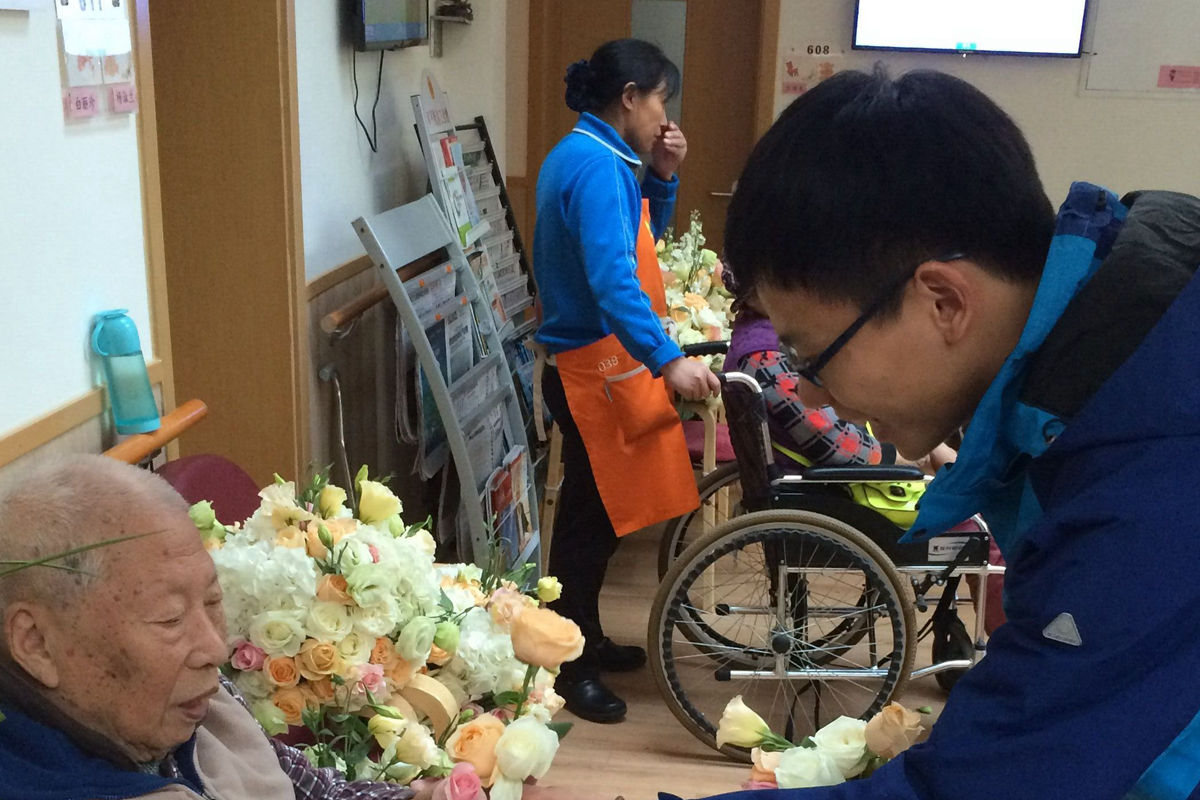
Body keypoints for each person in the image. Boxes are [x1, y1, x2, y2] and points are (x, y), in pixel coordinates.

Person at [683, 65, 1200, 799]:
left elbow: (991, 785)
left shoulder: (1149, 463)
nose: (812, 392)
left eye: (813, 355)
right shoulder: (1116, 358)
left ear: (945, 303)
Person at [0, 455, 414, 800]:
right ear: (37, 643)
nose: (215, 649)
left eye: (213, 601)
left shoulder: (191, 705)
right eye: (170, 617)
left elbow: (319, 792)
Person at [532, 39, 719, 725]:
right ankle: (567, 664)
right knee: (587, 527)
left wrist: (663, 178)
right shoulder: (596, 166)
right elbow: (614, 282)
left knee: (602, 521)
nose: (665, 116)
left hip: (597, 365)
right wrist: (668, 359)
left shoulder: (594, 155)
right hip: (591, 372)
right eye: (661, 100)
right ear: (631, 97)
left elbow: (639, 246)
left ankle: (583, 637)